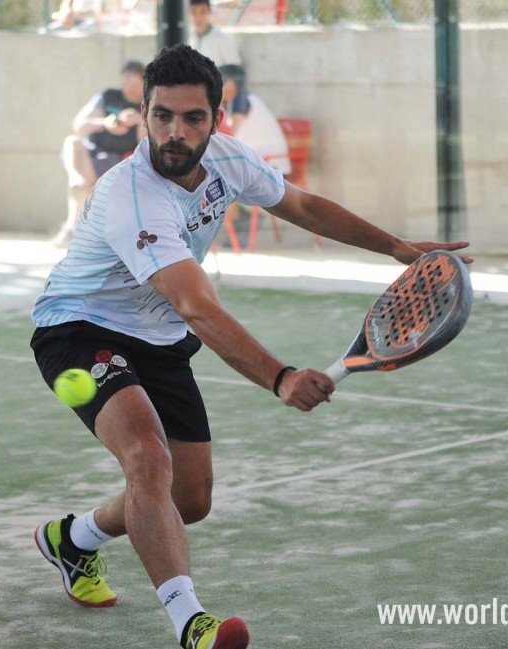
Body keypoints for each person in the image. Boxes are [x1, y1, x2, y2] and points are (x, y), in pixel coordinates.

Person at [30, 44, 471, 649]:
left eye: (192, 118)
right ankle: (192, 624)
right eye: (162, 116)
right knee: (147, 459)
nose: (175, 132)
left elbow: (304, 205)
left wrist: (394, 247)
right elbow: (196, 305)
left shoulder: (230, 162)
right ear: (143, 113)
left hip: (157, 337)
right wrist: (280, 375)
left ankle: (73, 539)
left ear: (217, 119)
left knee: (187, 499)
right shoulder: (132, 194)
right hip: (77, 328)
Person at [52, 59, 145, 245]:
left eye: (135, 84)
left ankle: (72, 226)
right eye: (126, 83)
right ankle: (78, 180)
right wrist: (105, 123)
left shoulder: (148, 105)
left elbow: (146, 145)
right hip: (89, 155)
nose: (130, 89)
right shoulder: (108, 96)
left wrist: (141, 121)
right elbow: (79, 126)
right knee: (72, 142)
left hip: (118, 161)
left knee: (86, 179)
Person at [216, 63, 289, 242]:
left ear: (232, 84)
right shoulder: (244, 100)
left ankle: (236, 226)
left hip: (270, 164)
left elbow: (233, 136)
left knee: (219, 175)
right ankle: (242, 219)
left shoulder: (243, 102)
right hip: (264, 160)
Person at [188, 0, 240, 68]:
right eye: (194, 12)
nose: (198, 17)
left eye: (203, 12)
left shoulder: (223, 39)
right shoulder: (188, 38)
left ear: (209, 12)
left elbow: (234, 70)